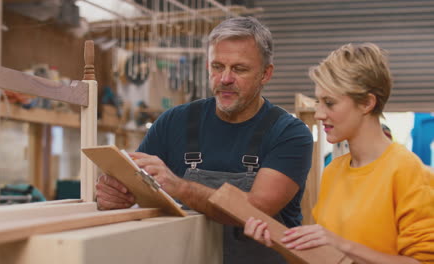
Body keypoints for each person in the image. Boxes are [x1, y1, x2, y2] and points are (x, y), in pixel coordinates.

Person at [95, 16, 314, 264]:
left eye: (239, 69)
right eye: (217, 66)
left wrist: (180, 187)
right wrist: (115, 194)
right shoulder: (172, 123)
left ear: (266, 74)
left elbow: (257, 209)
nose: (225, 79)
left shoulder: (289, 133)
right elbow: (136, 191)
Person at [244, 43, 434, 263]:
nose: (319, 114)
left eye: (329, 103)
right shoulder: (334, 170)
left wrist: (340, 244)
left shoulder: (407, 171)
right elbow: (327, 257)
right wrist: (277, 241)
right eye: (318, 102)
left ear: (367, 103)